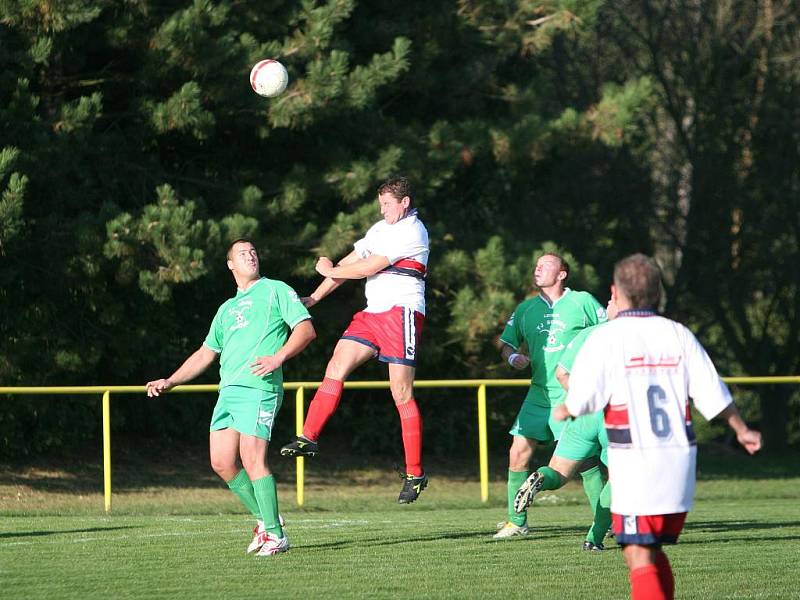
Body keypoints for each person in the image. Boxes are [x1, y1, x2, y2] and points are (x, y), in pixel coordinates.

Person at [555, 253, 762, 600]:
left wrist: (567, 408)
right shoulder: (678, 334)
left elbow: (584, 397)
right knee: (650, 550)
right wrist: (741, 429)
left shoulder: (606, 338)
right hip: (679, 464)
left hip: (637, 464)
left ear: (614, 292)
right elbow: (712, 392)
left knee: (637, 553)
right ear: (658, 294)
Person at [145, 239, 316, 557]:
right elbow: (205, 353)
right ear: (230, 265)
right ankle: (267, 520)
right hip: (228, 393)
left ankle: (276, 536)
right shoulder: (226, 309)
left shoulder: (275, 289)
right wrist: (171, 380)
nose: (251, 255)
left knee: (253, 459)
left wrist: (278, 358)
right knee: (222, 462)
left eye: (254, 251)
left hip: (258, 388)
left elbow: (305, 330)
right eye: (243, 253)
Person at [279, 176, 430, 504]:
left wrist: (328, 270)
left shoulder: (412, 230)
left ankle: (416, 473)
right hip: (373, 313)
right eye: (381, 205)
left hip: (400, 313)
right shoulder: (380, 229)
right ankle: (309, 437)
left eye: (388, 204)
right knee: (337, 363)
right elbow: (350, 262)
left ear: (405, 203)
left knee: (400, 392)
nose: (383, 210)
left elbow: (366, 268)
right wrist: (317, 297)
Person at [494, 253, 607, 539]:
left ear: (562, 274)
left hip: (570, 392)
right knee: (517, 452)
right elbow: (506, 344)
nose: (538, 268)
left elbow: (609, 332)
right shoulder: (526, 309)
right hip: (538, 392)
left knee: (586, 461)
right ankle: (517, 522)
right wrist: (512, 358)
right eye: (536, 265)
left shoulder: (582, 302)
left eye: (546, 264)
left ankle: (604, 523)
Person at [513, 298, 618, 550]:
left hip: (583, 415)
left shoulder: (587, 334)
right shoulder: (639, 336)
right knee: (620, 479)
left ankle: (540, 477)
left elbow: (561, 373)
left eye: (613, 299)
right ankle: (594, 538)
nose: (608, 302)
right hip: (616, 414)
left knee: (558, 472)